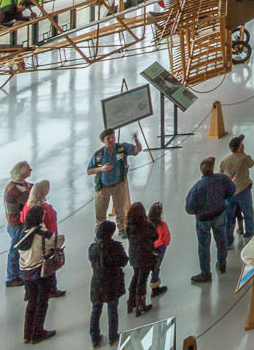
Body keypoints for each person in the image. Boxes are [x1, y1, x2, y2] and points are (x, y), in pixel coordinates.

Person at [184, 156, 235, 282]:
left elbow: (189, 208)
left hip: (203, 220)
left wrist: (198, 211)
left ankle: (205, 273)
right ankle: (222, 264)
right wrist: (222, 198)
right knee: (221, 240)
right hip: (219, 214)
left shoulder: (197, 188)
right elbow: (232, 189)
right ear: (212, 169)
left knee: (203, 246)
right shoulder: (221, 179)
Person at [15, 205, 59, 344]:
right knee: (42, 302)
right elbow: (54, 243)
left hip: (26, 272)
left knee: (32, 302)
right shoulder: (44, 234)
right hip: (40, 272)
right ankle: (38, 332)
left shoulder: (22, 234)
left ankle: (27, 334)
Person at [87, 128, 141, 234]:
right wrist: (101, 169)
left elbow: (136, 150)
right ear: (103, 141)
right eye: (108, 138)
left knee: (120, 211)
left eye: (113, 137)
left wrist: (136, 141)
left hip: (118, 186)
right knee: (100, 213)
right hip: (103, 188)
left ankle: (122, 228)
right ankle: (100, 232)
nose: (111, 140)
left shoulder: (121, 148)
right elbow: (90, 171)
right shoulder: (99, 155)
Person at [19, 181, 65, 298]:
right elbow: (52, 225)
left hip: (31, 243)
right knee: (48, 267)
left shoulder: (26, 206)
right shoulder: (45, 209)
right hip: (45, 241)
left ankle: (29, 292)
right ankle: (51, 290)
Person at [87, 220, 126, 348]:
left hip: (97, 282)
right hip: (112, 282)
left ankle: (94, 337)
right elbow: (124, 261)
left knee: (96, 310)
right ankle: (113, 336)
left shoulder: (93, 248)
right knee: (112, 309)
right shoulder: (115, 247)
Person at [219, 135, 254, 242]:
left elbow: (221, 174)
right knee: (248, 212)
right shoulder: (244, 159)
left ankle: (228, 240)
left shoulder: (224, 161)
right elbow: (251, 164)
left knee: (228, 217)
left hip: (229, 193)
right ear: (240, 147)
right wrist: (243, 153)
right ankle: (249, 235)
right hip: (243, 190)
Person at [123, 203, 156, 317]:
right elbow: (155, 236)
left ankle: (130, 302)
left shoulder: (129, 226)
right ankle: (140, 305)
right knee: (142, 280)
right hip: (145, 256)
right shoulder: (147, 225)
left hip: (134, 255)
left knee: (135, 277)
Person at [2, 161, 31, 289]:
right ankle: (12, 277)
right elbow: (13, 212)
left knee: (18, 249)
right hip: (17, 224)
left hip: (19, 223)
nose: (31, 171)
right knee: (15, 250)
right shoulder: (13, 191)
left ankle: (17, 273)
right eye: (29, 169)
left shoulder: (19, 185)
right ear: (22, 173)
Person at [148, 203, 170, 297]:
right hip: (160, 248)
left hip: (149, 248)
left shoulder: (146, 225)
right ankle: (155, 286)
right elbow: (166, 237)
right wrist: (165, 244)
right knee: (156, 268)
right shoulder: (162, 225)